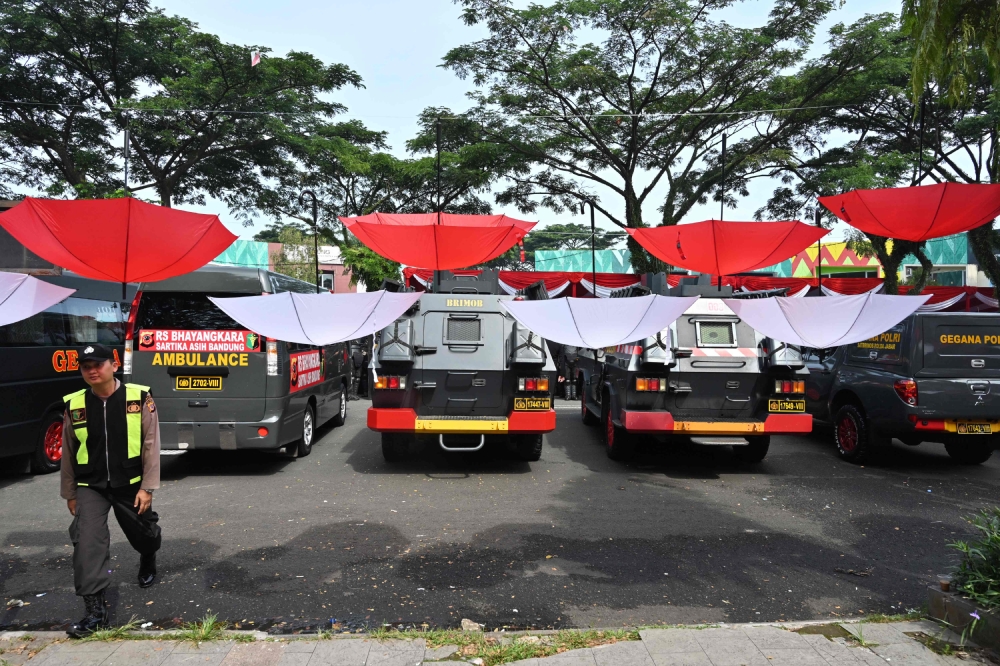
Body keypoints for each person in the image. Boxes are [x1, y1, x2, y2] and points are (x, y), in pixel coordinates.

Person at [60, 344, 162, 638]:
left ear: (113, 365)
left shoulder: (139, 397)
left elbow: (151, 444)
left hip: (131, 484)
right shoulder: (74, 403)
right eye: (85, 366)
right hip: (90, 485)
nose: (92, 370)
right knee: (87, 541)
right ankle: (95, 613)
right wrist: (70, 493)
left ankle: (148, 554)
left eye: (98, 364)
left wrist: (147, 487)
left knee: (143, 532)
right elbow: (68, 452)